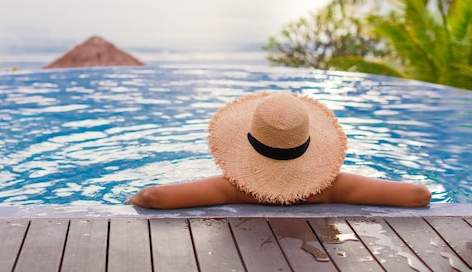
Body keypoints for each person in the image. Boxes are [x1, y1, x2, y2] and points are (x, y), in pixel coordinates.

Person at [125, 92, 432, 209]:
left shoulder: (232, 189)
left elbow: (154, 196)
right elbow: (419, 195)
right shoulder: (334, 188)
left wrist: (131, 200)